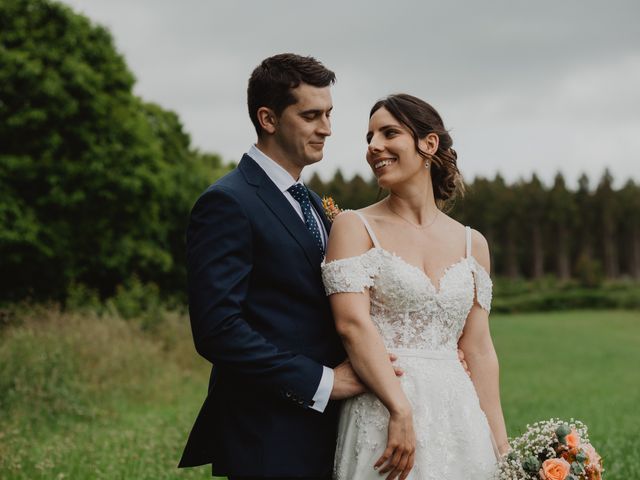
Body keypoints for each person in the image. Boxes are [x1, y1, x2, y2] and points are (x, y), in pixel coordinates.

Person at [178, 53, 400, 479]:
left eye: (330, 114)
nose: (327, 128)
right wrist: (323, 383)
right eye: (311, 115)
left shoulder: (315, 204)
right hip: (268, 434)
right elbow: (218, 329)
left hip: (332, 430)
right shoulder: (227, 202)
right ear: (268, 118)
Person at [322, 93, 509, 479]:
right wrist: (399, 409)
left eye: (389, 133)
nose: (374, 147)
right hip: (382, 410)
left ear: (428, 144)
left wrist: (501, 446)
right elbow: (351, 326)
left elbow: (478, 349)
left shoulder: (474, 244)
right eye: (369, 137)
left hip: (460, 416)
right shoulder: (354, 228)